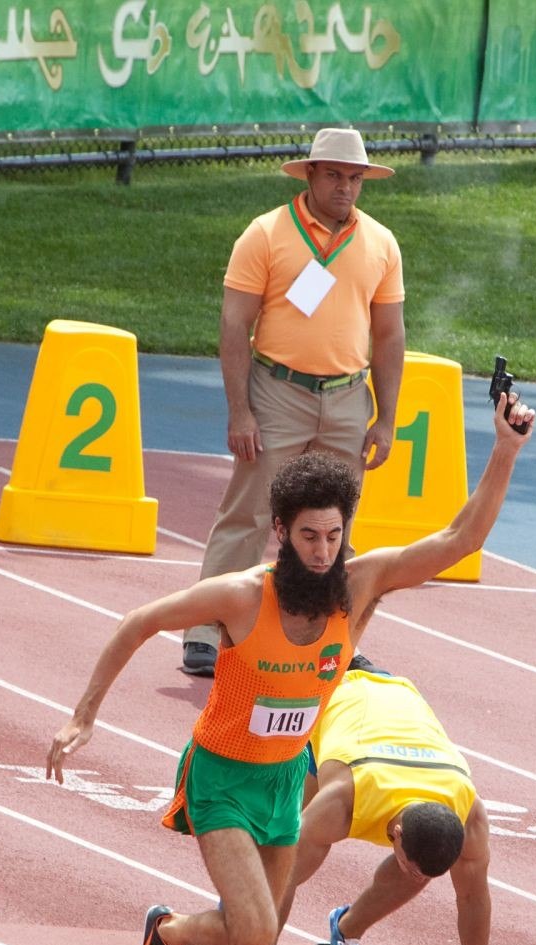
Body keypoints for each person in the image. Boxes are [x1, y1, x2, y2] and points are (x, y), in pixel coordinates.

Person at [48, 390, 535, 945]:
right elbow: (140, 620)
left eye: (334, 535)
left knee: (252, 942)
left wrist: (505, 450)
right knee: (254, 928)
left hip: (286, 782)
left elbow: (459, 539)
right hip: (221, 777)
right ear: (281, 530)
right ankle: (170, 934)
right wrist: (83, 715)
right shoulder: (244, 596)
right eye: (309, 537)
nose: (324, 550)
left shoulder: (359, 588)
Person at [181, 126, 406, 678]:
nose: (345, 187)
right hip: (276, 391)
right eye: (334, 175)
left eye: (355, 178)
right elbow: (234, 324)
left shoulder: (381, 243)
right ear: (309, 174)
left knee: (334, 527)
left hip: (348, 397)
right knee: (249, 513)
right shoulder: (265, 234)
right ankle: (206, 629)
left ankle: (333, 640)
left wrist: (386, 419)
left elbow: (389, 335)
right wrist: (241, 411)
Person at [228, 667, 513, 945]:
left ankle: (346, 929)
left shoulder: (469, 813)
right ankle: (233, 919)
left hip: (398, 698)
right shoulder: (342, 802)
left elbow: (473, 898)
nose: (419, 879)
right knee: (281, 847)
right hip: (335, 699)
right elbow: (280, 878)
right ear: (397, 834)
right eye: (412, 865)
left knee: (416, 871)